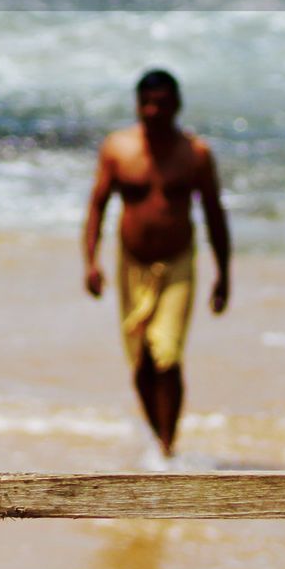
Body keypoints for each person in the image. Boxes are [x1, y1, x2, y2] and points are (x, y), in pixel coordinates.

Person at [83, 69, 230, 458]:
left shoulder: (194, 154)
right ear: (137, 105)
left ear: (177, 106)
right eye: (147, 103)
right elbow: (97, 205)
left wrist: (223, 275)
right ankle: (161, 444)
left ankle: (168, 445)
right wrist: (91, 262)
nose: (153, 111)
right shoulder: (118, 149)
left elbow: (215, 214)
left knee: (167, 353)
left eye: (162, 104)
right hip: (131, 263)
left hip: (178, 262)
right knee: (141, 360)